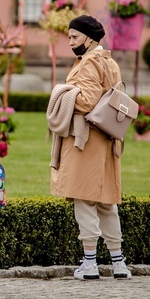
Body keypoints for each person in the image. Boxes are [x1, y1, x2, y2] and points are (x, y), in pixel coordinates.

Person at [47, 14, 132, 281]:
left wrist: (62, 90)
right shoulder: (109, 61)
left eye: (74, 37)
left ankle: (90, 263)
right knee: (106, 202)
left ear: (89, 37)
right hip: (106, 140)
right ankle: (118, 263)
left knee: (84, 200)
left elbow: (86, 102)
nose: (70, 42)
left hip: (86, 141)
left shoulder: (88, 64)